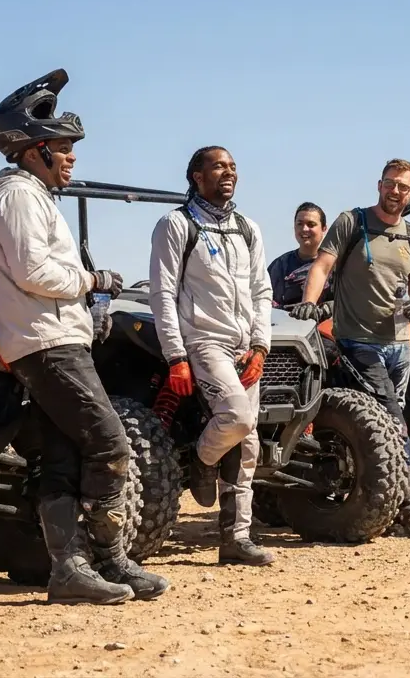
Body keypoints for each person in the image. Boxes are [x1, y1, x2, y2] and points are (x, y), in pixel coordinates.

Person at [0, 68, 169, 605]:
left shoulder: (24, 194)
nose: (72, 157)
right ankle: (105, 560)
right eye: (63, 147)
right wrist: (94, 281)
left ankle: (74, 569)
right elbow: (33, 271)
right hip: (46, 342)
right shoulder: (17, 195)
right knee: (109, 442)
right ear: (35, 150)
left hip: (53, 336)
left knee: (63, 457)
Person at [290, 158, 410, 538]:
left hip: (400, 344)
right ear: (379, 185)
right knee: (392, 422)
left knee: (387, 427)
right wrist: (310, 302)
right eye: (390, 183)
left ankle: (384, 505)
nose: (395, 191)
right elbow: (322, 266)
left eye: (403, 186)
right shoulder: (352, 222)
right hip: (357, 340)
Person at [149, 145, 276, 566]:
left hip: (245, 347)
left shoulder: (247, 228)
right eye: (218, 166)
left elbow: (262, 291)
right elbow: (163, 294)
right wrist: (175, 356)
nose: (229, 172)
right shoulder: (176, 224)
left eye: (233, 167)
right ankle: (202, 462)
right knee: (237, 418)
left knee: (249, 439)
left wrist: (260, 345)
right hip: (204, 342)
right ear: (196, 177)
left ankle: (236, 539)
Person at [268, 202, 332, 309]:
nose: (304, 229)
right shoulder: (280, 265)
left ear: (324, 228)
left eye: (311, 224)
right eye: (300, 224)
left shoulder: (336, 266)